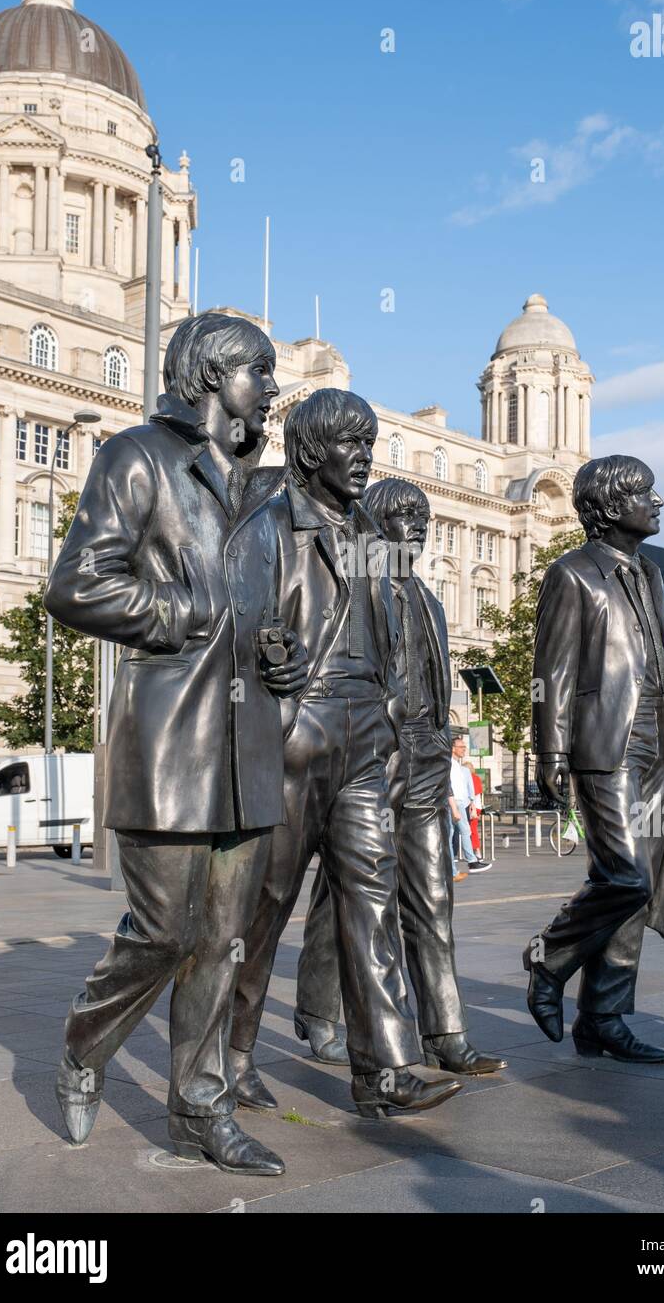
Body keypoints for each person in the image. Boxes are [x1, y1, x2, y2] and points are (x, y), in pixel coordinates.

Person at [44, 312, 308, 1174]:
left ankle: (201, 1111)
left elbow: (263, 608)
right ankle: (87, 1045)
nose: (271, 389)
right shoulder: (136, 456)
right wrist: (177, 616)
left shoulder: (263, 491)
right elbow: (77, 584)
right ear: (209, 375)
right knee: (164, 931)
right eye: (259, 372)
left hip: (248, 740)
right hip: (168, 738)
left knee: (225, 940)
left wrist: (277, 649)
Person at [229, 392, 462, 1119]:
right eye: (348, 445)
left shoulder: (368, 536)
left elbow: (390, 629)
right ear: (308, 453)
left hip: (367, 738)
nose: (363, 457)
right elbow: (231, 631)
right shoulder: (268, 529)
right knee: (265, 904)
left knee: (370, 897)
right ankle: (230, 1053)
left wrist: (393, 713)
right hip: (298, 732)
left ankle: (386, 1070)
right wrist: (269, 662)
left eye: (369, 444)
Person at [293, 478, 507, 1077]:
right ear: (376, 523)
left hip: (428, 759)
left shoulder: (433, 603)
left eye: (424, 516)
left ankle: (446, 1032)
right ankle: (318, 1012)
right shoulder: (361, 588)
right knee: (354, 894)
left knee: (433, 897)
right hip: (374, 754)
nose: (416, 525)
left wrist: (442, 740)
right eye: (404, 515)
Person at [525, 454, 664, 1064]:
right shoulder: (572, 574)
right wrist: (549, 750)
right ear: (609, 507)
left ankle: (602, 1017)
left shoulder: (653, 576)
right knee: (625, 876)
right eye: (645, 493)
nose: (657, 502)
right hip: (606, 742)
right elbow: (550, 673)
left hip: (661, 740)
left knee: (644, 882)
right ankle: (549, 958)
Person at [450, 737, 492, 875]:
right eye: (461, 746)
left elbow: (464, 788)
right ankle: (471, 862)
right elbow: (450, 788)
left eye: (464, 747)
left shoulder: (457, 766)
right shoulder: (450, 765)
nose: (464, 749)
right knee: (465, 832)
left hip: (460, 802)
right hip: (455, 802)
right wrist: (455, 807)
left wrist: (471, 804)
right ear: (453, 748)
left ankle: (453, 869)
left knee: (451, 834)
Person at [465, 760, 484, 854]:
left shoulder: (471, 778)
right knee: (472, 829)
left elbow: (473, 794)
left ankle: (476, 850)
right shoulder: (476, 778)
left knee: (471, 829)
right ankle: (474, 850)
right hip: (476, 807)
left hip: (472, 807)